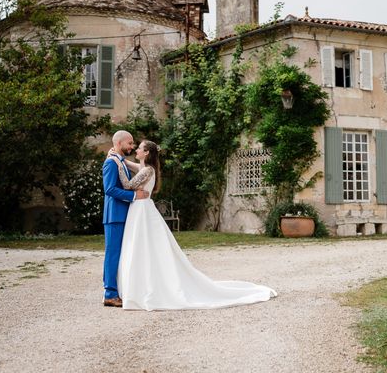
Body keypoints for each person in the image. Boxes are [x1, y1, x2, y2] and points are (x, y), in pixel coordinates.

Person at [112, 139, 277, 310]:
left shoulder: (146, 170)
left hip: (142, 210)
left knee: (144, 246)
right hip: (141, 209)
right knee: (146, 247)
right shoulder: (146, 169)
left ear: (146, 153)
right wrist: (122, 159)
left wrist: (117, 163)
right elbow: (134, 167)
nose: (135, 149)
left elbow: (128, 185)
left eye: (139, 148)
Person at [102, 130, 149, 307]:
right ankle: (110, 294)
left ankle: (114, 290)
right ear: (119, 143)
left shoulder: (120, 161)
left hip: (124, 214)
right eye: (129, 143)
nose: (132, 146)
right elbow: (110, 189)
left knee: (119, 254)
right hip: (114, 215)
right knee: (112, 254)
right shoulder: (111, 163)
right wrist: (134, 196)